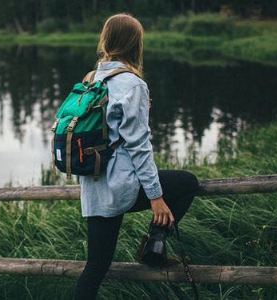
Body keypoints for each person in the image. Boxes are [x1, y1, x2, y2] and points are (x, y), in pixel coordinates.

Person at [73, 13, 199, 300]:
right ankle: (154, 241)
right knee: (187, 182)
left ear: (106, 41)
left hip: (93, 186)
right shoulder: (132, 84)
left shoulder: (90, 79)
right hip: (122, 186)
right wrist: (155, 197)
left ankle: (153, 246)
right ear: (135, 44)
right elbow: (139, 146)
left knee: (94, 268)